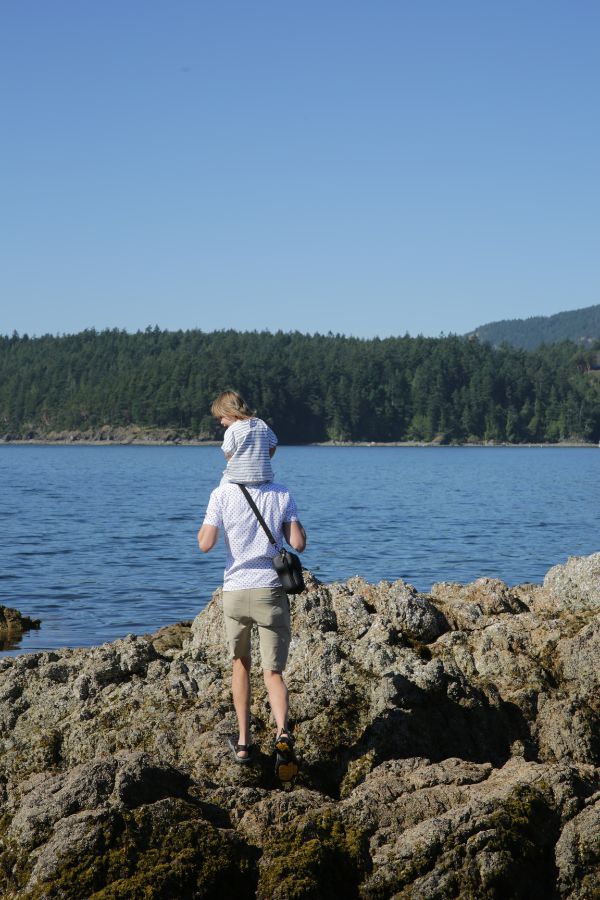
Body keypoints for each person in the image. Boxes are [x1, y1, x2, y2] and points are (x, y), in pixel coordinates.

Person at [198, 477, 307, 785]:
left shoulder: (220, 493)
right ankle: (282, 732)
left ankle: (244, 744)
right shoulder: (281, 492)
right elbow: (298, 543)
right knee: (272, 672)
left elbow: (205, 544)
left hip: (235, 592)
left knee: (240, 664)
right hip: (270, 591)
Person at [211, 390, 278, 485]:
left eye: (221, 417)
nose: (221, 422)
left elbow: (228, 454)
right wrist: (261, 460)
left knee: (222, 485)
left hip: (237, 478)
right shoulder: (261, 423)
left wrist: (240, 464)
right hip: (264, 477)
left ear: (229, 412)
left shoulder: (232, 430)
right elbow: (273, 444)